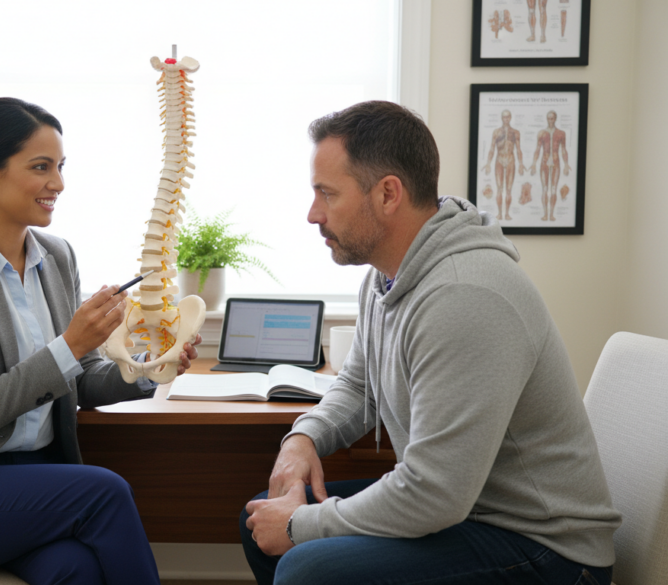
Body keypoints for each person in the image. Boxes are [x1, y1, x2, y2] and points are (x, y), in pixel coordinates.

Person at [239, 101, 620, 584]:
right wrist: (303, 437)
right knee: (256, 523)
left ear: (388, 194)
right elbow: (359, 385)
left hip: (545, 549)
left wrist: (301, 525)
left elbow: (433, 493)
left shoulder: (465, 293)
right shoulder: (386, 276)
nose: (313, 213)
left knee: (304, 567)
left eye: (327, 194)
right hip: (465, 511)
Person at [0, 97, 201, 584]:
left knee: (76, 570)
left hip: (32, 484)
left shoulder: (58, 256)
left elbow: (80, 381)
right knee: (105, 492)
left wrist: (150, 367)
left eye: (61, 167)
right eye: (41, 167)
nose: (59, 184)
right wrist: (70, 343)